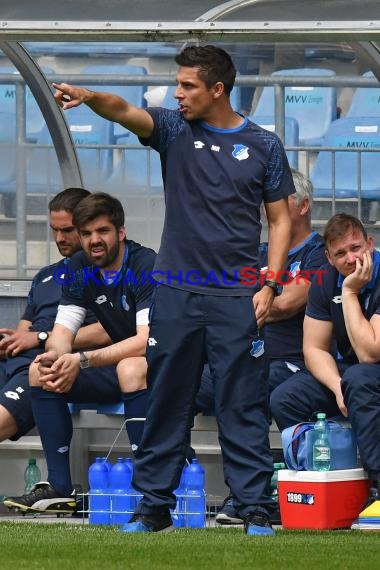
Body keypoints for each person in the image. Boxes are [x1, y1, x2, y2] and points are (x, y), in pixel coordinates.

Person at [50, 44, 294, 536]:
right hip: (177, 293)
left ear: (217, 90)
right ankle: (154, 508)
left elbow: (280, 217)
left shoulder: (264, 145)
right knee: (167, 399)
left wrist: (270, 283)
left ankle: (251, 508)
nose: (177, 94)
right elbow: (124, 112)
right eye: (177, 84)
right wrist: (90, 95)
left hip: (236, 296)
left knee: (241, 402)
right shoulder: (174, 129)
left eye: (187, 86)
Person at [3, 192, 157, 513]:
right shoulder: (79, 266)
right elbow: (63, 331)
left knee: (131, 366)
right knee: (39, 371)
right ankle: (60, 488)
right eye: (86, 234)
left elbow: (145, 340)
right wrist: (55, 359)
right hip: (112, 367)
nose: (93, 241)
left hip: (164, 366)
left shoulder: (145, 264)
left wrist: (81, 359)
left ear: (121, 232)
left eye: (102, 231)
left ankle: (149, 485)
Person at [211, 169, 327, 524]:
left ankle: (251, 497)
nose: (268, 208)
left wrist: (250, 308)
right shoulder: (256, 252)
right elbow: (228, 300)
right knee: (179, 383)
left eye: (279, 200)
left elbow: (288, 302)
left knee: (246, 390)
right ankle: (173, 488)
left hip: (293, 362)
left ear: (304, 206)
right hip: (245, 355)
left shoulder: (318, 254)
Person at [270, 213, 380, 509]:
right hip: (351, 375)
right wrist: (336, 387)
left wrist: (350, 291)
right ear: (329, 259)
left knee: (359, 378)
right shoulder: (325, 280)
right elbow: (314, 349)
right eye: (340, 253)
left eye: (356, 248)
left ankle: (377, 487)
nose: (350, 259)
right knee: (285, 397)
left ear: (370, 244)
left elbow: (371, 353)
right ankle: (316, 486)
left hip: (372, 369)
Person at [0, 187, 112, 445]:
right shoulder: (44, 276)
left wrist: (39, 339)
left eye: (67, 230)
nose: (59, 237)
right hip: (17, 362)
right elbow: (23, 330)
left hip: (56, 364)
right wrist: (9, 344)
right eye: (55, 230)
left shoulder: (106, 273)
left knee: (38, 371)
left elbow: (107, 331)